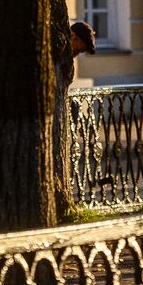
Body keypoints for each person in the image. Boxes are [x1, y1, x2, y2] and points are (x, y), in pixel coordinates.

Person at [52, 20, 96, 213]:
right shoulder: (58, 52)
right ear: (73, 37)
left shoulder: (67, 58)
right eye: (81, 48)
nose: (80, 53)